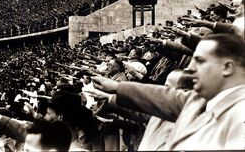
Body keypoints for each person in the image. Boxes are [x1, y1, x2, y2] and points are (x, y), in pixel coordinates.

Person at [91, 34, 245, 150]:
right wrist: (117, 88)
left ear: (227, 67)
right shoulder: (196, 100)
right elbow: (162, 95)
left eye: (200, 61)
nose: (190, 69)